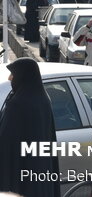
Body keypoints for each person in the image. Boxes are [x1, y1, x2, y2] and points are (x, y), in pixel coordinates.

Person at [0, 58, 60, 197]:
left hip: (19, 171)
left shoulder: (17, 104)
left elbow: (5, 140)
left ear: (23, 76)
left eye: (13, 74)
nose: (9, 78)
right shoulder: (43, 99)